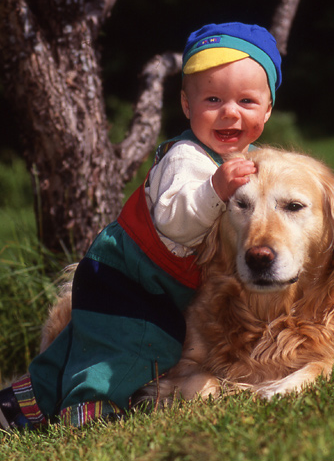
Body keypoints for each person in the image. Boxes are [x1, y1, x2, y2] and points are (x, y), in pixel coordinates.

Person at [0, 22, 282, 430]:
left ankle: (20, 404)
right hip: (129, 278)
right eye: (213, 99)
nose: (229, 112)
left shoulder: (249, 159)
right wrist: (215, 190)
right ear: (187, 105)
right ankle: (86, 413)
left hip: (152, 282)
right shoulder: (187, 159)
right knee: (127, 348)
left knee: (81, 343)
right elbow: (177, 221)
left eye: (247, 101)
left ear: (269, 108)